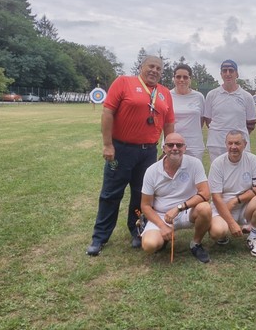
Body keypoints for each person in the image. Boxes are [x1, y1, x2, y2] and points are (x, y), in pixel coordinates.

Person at [86, 55, 175, 256]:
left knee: (141, 194)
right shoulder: (124, 82)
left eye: (159, 69)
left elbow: (169, 123)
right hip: (121, 149)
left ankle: (137, 230)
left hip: (148, 152)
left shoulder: (164, 93)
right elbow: (107, 113)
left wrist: (168, 148)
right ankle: (99, 238)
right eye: (151, 66)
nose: (154, 71)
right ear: (141, 67)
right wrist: (108, 145)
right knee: (111, 193)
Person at [140, 133, 212, 263]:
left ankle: (196, 244)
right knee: (149, 245)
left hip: (186, 212)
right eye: (170, 145)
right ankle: (163, 236)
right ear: (164, 148)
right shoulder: (151, 171)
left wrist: (179, 208)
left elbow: (205, 194)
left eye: (179, 145)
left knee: (205, 208)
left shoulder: (195, 163)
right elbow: (145, 205)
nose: (175, 148)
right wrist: (162, 226)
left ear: (185, 148)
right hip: (162, 215)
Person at [208, 130, 256, 257]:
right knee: (216, 232)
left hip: (243, 207)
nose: (233, 147)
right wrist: (231, 223)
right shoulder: (218, 163)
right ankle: (223, 233)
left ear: (245, 144)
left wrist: (236, 200)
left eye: (237, 143)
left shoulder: (252, 159)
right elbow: (216, 197)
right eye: (230, 143)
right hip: (222, 208)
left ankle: (252, 237)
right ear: (225, 144)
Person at [204, 60, 256, 162]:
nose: (228, 74)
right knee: (217, 176)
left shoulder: (247, 96)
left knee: (240, 175)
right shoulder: (212, 95)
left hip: (239, 144)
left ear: (236, 74)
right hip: (216, 144)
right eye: (224, 71)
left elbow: (251, 123)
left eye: (231, 71)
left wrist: (237, 138)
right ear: (221, 74)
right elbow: (208, 120)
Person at [170, 63, 206, 160]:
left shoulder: (199, 97)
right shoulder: (167, 95)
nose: (182, 80)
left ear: (190, 79)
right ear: (174, 78)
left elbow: (201, 120)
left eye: (185, 77)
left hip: (194, 145)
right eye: (178, 77)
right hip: (172, 145)